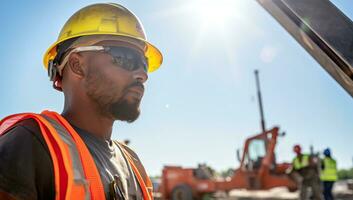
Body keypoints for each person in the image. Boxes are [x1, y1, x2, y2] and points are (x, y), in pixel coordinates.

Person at [0, 3, 163, 200]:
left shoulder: (134, 163)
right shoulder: (27, 145)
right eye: (126, 58)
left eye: (144, 64)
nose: (142, 74)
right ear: (78, 64)